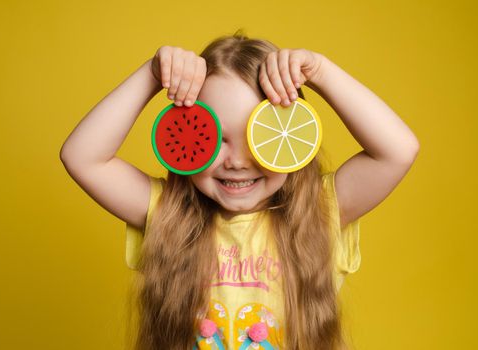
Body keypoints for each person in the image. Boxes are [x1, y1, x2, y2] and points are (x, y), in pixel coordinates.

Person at [60, 30, 419, 350]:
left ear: (291, 137)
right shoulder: (167, 215)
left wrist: (321, 73)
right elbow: (83, 157)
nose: (237, 161)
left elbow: (398, 151)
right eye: (214, 138)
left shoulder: (318, 213)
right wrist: (151, 75)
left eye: (258, 136)